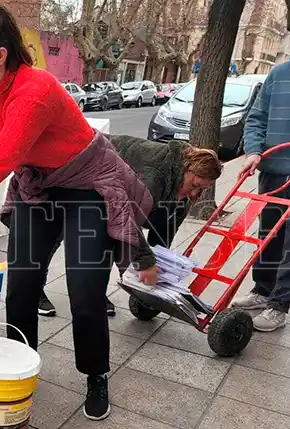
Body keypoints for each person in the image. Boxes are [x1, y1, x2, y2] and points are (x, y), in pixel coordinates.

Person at [0, 0, 157, 421]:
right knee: (21, 285)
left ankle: (96, 374)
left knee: (84, 291)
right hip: (37, 188)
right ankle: (21, 367)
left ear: (0, 56)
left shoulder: (34, 89)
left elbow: (1, 162)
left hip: (84, 187)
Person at [31, 136, 223, 317]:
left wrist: (158, 269)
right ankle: (34, 291)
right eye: (195, 185)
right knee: (57, 235)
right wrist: (145, 262)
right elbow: (126, 219)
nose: (194, 193)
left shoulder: (181, 192)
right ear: (187, 169)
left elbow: (163, 233)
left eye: (202, 189)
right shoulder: (154, 177)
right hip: (83, 175)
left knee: (109, 239)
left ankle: (95, 295)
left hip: (115, 190)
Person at [233, 61, 290, 332]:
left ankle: (279, 306)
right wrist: (253, 151)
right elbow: (256, 117)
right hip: (273, 171)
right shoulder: (278, 74)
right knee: (268, 235)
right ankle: (262, 290)